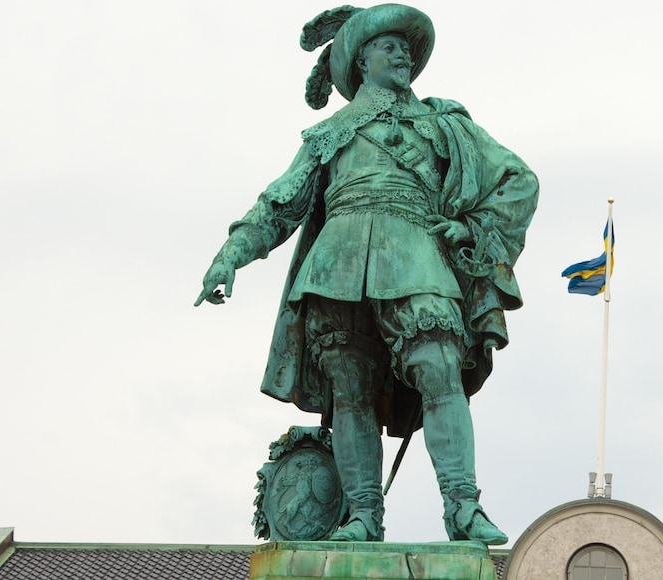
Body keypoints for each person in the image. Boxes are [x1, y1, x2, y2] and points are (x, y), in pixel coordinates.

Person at [195, 3, 538, 545]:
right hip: (336, 263)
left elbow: (518, 180)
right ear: (359, 61)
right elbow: (280, 202)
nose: (401, 52)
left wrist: (471, 228)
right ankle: (361, 516)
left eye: (405, 46)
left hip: (416, 254)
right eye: (387, 45)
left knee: (439, 368)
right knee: (350, 390)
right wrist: (231, 254)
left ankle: (463, 507)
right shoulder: (328, 134)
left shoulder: (444, 125)